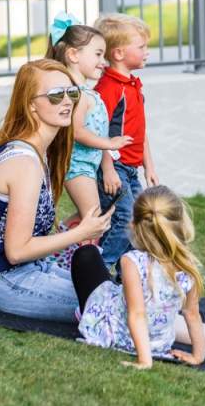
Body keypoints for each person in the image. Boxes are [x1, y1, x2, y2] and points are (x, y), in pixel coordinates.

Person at [0, 59, 114, 322]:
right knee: (113, 306)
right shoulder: (24, 162)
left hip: (30, 269)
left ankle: (193, 335)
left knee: (117, 295)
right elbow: (17, 251)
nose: (67, 101)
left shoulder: (40, 152)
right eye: (56, 95)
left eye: (72, 92)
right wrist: (81, 232)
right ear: (31, 104)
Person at [71, 185, 205, 369]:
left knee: (87, 255)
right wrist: (198, 356)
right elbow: (192, 315)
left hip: (117, 336)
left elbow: (137, 314)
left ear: (135, 225)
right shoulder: (188, 268)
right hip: (159, 345)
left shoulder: (132, 261)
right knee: (113, 286)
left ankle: (88, 311)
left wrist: (144, 359)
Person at [45, 12, 133, 239]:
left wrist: (107, 165)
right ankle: (88, 267)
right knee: (94, 222)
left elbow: (98, 131)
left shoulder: (90, 93)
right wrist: (109, 143)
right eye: (97, 54)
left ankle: (59, 250)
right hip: (77, 167)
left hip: (89, 166)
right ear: (73, 54)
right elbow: (77, 132)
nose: (103, 62)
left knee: (90, 217)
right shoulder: (74, 94)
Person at [93, 13, 159, 269]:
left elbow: (140, 133)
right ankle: (97, 271)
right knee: (125, 220)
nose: (147, 52)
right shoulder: (109, 87)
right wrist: (108, 169)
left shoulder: (132, 85)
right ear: (119, 53)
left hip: (131, 169)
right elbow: (100, 131)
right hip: (116, 168)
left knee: (140, 220)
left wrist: (149, 166)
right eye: (141, 47)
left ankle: (125, 276)